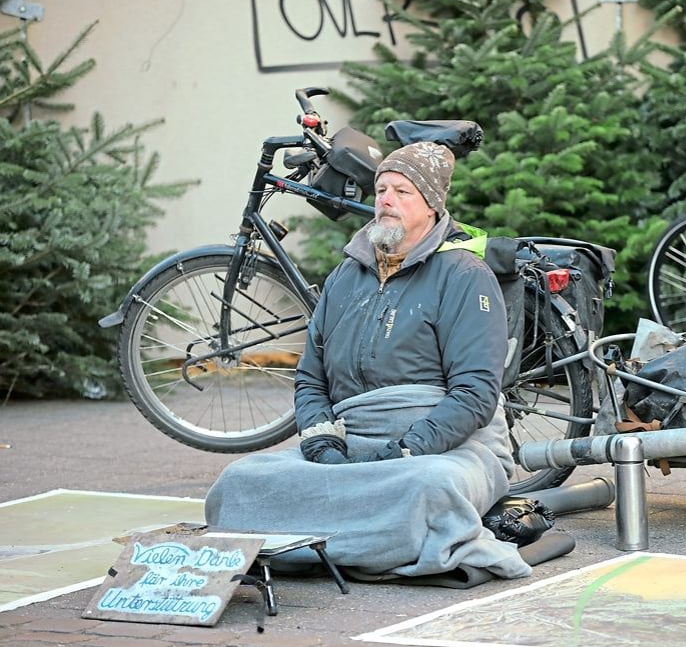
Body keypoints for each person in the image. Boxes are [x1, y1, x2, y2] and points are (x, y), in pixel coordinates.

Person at [205, 142, 532, 581]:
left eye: (402, 191)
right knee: (238, 483)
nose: (386, 200)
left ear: (432, 205)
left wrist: (405, 450)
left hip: (445, 450)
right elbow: (311, 377)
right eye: (381, 190)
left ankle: (313, 540)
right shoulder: (346, 275)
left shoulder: (464, 275)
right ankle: (367, 542)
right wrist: (322, 445)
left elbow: (474, 394)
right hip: (350, 443)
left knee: (428, 490)